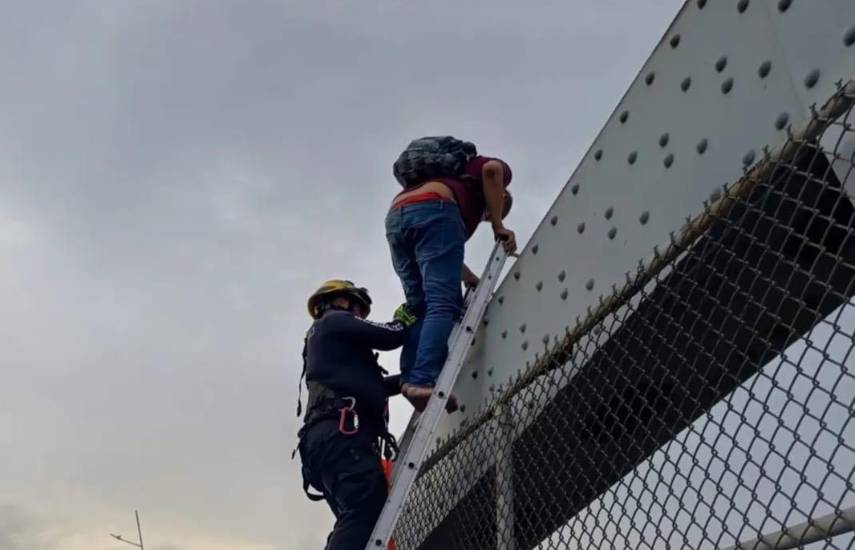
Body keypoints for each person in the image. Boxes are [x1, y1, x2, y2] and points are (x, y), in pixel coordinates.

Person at [385, 152, 517, 411]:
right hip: (434, 207)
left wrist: (471, 279)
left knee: (420, 306)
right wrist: (499, 226)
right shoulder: (487, 175)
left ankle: (411, 380)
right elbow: (492, 169)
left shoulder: (453, 177)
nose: (486, 217)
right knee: (443, 304)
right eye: (489, 213)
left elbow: (442, 255)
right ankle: (423, 379)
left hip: (397, 215)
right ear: (499, 196)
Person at [296, 280, 415, 550]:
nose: (359, 314)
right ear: (340, 300)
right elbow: (389, 336)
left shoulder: (327, 345)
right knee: (364, 510)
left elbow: (374, 387)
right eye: (358, 307)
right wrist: (403, 320)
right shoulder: (334, 320)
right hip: (341, 435)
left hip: (324, 440)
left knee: (355, 521)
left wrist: (407, 380)